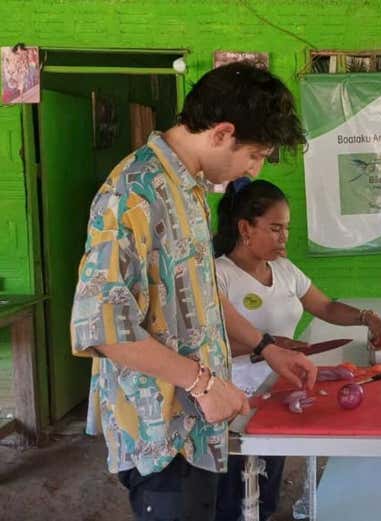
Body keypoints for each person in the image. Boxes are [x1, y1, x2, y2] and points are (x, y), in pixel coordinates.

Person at [70, 62, 318, 521]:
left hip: (200, 423)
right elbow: (101, 325)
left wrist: (267, 348)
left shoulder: (191, 191)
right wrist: (202, 383)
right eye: (256, 155)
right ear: (222, 132)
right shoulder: (133, 191)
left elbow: (201, 296)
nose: (255, 168)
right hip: (163, 434)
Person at [212, 178, 381, 521]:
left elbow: (326, 307)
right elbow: (211, 341)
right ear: (245, 228)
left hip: (283, 392)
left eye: (286, 228)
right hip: (236, 399)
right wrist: (266, 346)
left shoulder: (284, 270)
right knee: (231, 496)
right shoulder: (218, 275)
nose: (284, 237)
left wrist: (366, 318)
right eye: (275, 228)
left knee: (265, 490)